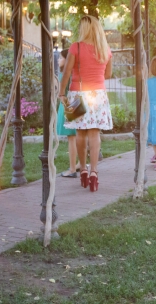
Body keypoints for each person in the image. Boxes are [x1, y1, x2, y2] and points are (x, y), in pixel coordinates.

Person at [58, 15, 113, 192]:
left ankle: (82, 169)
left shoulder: (76, 47)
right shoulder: (105, 49)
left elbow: (66, 73)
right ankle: (94, 172)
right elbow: (108, 74)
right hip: (98, 94)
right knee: (94, 133)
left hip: (76, 93)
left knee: (80, 133)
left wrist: (61, 93)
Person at [57, 49, 79, 178]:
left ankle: (72, 169)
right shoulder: (75, 72)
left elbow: (62, 92)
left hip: (68, 104)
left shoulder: (64, 74)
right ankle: (80, 164)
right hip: (77, 102)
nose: (58, 60)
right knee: (79, 136)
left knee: (71, 138)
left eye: (61, 58)